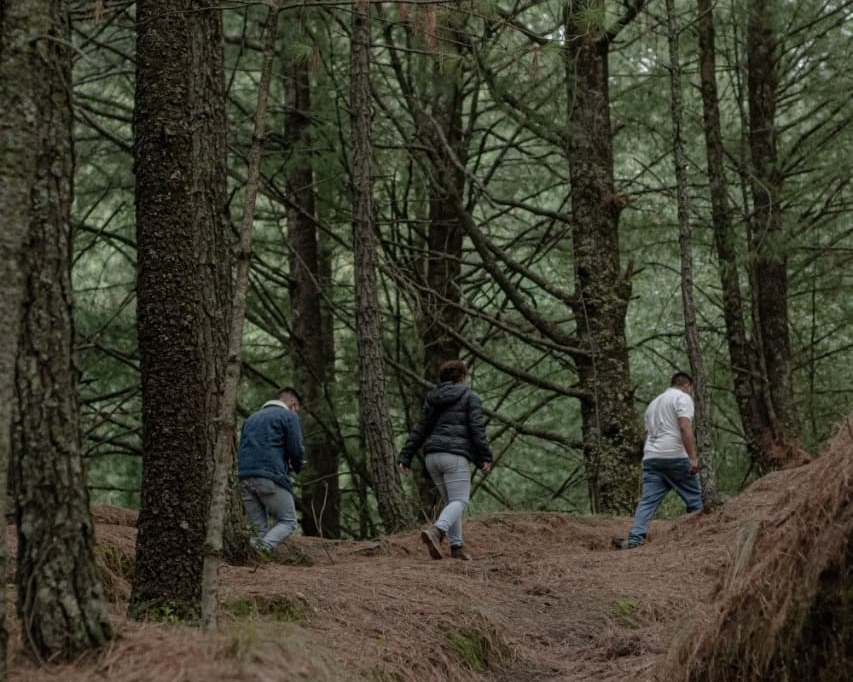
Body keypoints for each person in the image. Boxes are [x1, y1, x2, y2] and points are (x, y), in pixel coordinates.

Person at [398, 360, 493, 561]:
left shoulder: (433, 398)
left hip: (432, 457)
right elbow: (476, 429)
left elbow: (421, 428)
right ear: (462, 377)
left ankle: (456, 547)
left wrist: (406, 455)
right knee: (460, 501)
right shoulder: (470, 397)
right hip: (454, 456)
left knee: (452, 503)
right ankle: (437, 531)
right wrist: (484, 457)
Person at [615, 371, 702, 549]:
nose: (691, 393)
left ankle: (635, 539)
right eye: (691, 389)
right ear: (687, 386)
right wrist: (693, 457)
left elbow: (647, 433)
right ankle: (702, 535)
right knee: (695, 497)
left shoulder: (653, 404)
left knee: (647, 501)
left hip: (651, 457)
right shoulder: (682, 398)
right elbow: (684, 426)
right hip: (674, 455)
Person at [237, 386, 306, 554]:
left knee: (258, 528)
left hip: (245, 476)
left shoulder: (251, 418)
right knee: (288, 521)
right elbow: (296, 449)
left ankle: (254, 561)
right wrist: (297, 466)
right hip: (270, 476)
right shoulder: (289, 416)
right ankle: (261, 552)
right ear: (293, 404)